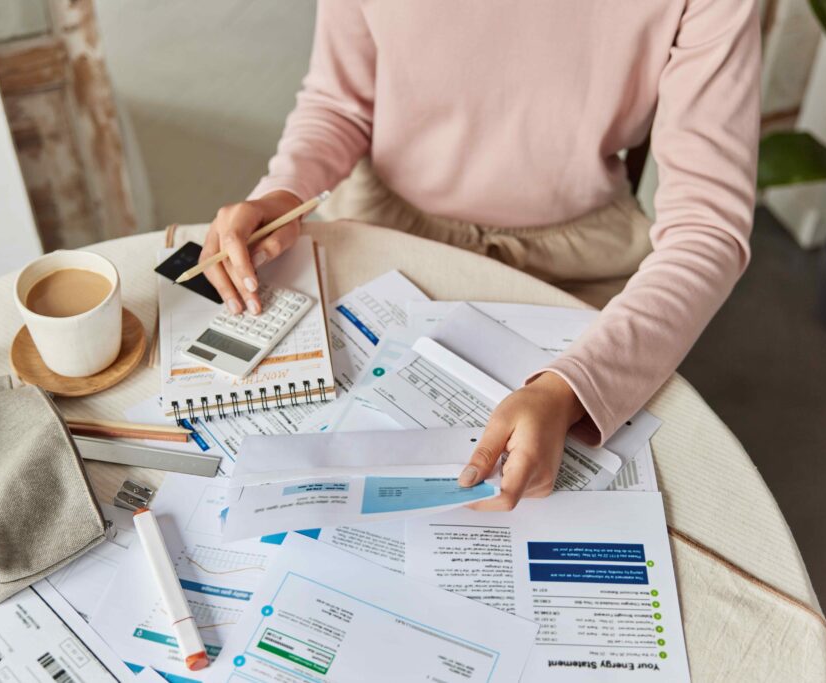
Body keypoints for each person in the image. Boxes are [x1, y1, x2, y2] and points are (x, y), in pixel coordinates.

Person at [200, 1, 761, 510]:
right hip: (384, 233)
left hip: (580, 260)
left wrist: (569, 390)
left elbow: (708, 229)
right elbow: (339, 104)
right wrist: (284, 192)